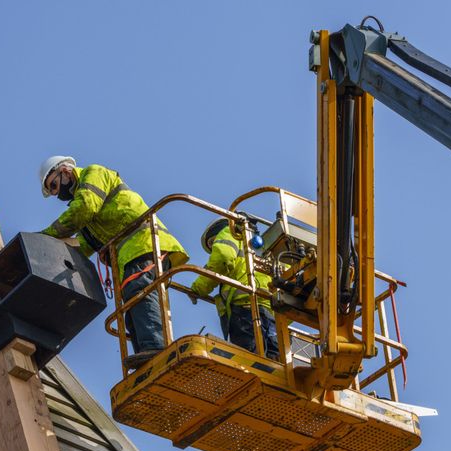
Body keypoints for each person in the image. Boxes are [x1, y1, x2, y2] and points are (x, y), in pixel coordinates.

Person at [38, 156, 188, 369]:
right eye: (52, 191)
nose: (55, 193)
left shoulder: (93, 174)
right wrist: (46, 255)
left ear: (65, 170)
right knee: (130, 303)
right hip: (130, 253)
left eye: (53, 185)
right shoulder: (87, 213)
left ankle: (156, 348)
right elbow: (83, 245)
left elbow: (84, 208)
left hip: (144, 242)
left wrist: (46, 236)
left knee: (140, 289)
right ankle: (148, 359)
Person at [190, 218, 279, 359]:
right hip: (272, 314)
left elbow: (222, 258)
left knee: (250, 361)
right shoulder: (263, 246)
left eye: (212, 243)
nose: (214, 247)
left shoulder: (228, 232)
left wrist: (197, 288)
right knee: (274, 360)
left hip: (245, 310)